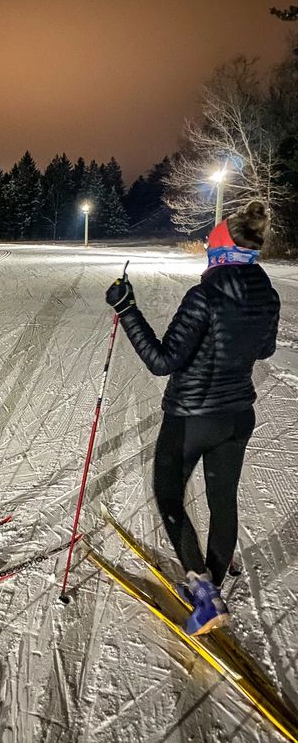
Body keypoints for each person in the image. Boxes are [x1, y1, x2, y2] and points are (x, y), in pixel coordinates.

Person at [106, 201, 280, 635]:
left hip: (191, 420)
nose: (206, 244)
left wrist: (127, 309)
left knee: (168, 494)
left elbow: (162, 361)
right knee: (223, 501)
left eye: (210, 241)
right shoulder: (266, 292)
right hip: (236, 417)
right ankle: (212, 586)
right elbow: (264, 349)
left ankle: (205, 595)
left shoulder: (204, 295)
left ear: (220, 249)